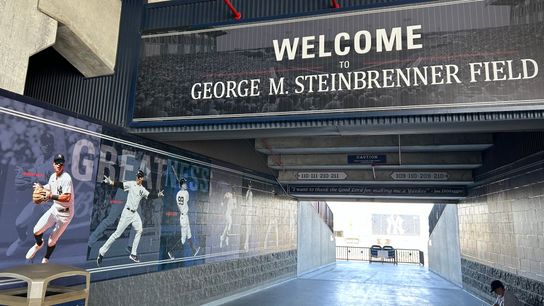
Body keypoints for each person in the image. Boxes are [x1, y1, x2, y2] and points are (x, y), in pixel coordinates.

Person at [96, 170, 163, 266]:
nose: (138, 178)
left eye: (139, 176)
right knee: (116, 234)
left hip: (134, 214)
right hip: (127, 213)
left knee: (139, 230)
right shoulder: (131, 184)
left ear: (142, 178)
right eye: (137, 176)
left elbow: (149, 195)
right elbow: (121, 185)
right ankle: (101, 252)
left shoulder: (142, 189)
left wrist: (158, 195)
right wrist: (111, 182)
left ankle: (133, 254)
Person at [25, 154, 73, 264]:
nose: (59, 164)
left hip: (65, 214)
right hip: (55, 209)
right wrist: (40, 187)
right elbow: (49, 187)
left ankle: (46, 258)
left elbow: (67, 197)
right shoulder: (52, 177)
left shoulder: (67, 178)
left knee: (52, 240)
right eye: (57, 162)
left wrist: (50, 196)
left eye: (61, 162)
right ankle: (38, 244)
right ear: (53, 164)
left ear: (63, 164)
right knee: (36, 231)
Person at [167, 178, 200, 259]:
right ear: (181, 185)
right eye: (184, 184)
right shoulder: (186, 193)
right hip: (184, 217)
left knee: (189, 234)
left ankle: (194, 250)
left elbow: (179, 206)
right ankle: (171, 252)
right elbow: (187, 199)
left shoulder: (178, 194)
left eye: (186, 183)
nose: (186, 185)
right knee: (183, 239)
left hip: (183, 215)